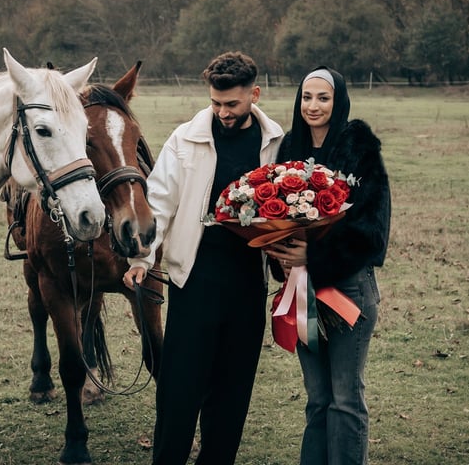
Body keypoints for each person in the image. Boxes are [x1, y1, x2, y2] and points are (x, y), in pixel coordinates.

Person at [123, 51, 284, 465]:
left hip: (249, 285)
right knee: (179, 389)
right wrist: (142, 259)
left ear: (254, 95)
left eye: (232, 104)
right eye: (215, 103)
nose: (223, 112)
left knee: (232, 391)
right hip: (194, 280)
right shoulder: (185, 139)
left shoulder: (275, 142)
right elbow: (160, 204)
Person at [265, 66, 391, 465]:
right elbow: (273, 213)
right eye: (307, 97)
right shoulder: (290, 147)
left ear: (339, 101)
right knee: (318, 399)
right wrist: (282, 254)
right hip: (301, 288)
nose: (313, 106)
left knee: (344, 398)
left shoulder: (358, 148)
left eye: (323, 98)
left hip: (348, 288)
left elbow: (373, 232)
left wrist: (314, 257)